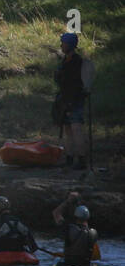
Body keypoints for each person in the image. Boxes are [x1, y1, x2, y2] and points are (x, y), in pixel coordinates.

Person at [53, 32, 87, 170]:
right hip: (65, 99)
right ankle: (70, 158)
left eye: (64, 43)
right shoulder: (65, 60)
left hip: (74, 99)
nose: (61, 45)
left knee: (76, 129)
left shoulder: (76, 62)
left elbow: (74, 83)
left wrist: (71, 101)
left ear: (70, 45)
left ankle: (81, 159)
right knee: (68, 130)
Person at [52, 192, 99, 266]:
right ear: (88, 217)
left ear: (75, 216)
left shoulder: (68, 229)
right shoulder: (93, 233)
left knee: (59, 264)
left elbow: (56, 213)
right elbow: (95, 255)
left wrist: (68, 201)